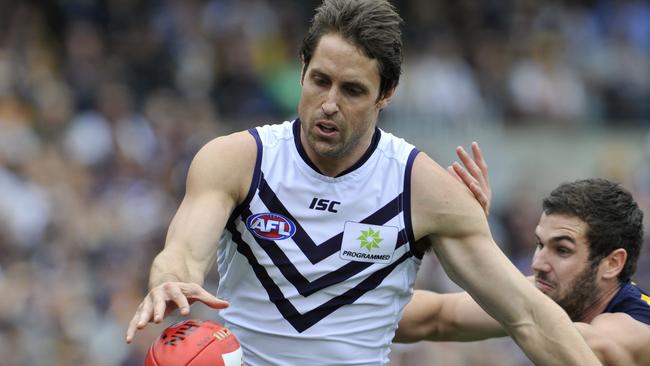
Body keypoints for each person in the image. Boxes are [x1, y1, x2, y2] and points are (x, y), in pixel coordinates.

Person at [125, 1, 601, 365]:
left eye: (352, 90)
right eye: (319, 81)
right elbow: (183, 254)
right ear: (301, 70)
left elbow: (527, 316)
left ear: (386, 94)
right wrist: (168, 282)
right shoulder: (237, 160)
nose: (329, 103)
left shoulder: (424, 190)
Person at [395, 143, 650, 366]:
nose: (538, 263)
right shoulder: (561, 291)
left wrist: (465, 233)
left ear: (612, 263)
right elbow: (438, 317)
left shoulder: (635, 330)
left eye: (562, 250)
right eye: (540, 244)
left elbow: (551, 336)